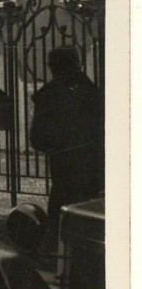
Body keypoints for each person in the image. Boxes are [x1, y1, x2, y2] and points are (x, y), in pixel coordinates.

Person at [29, 46, 103, 243]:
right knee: (89, 211)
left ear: (53, 67)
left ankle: (59, 251)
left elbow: (37, 138)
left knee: (62, 209)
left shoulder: (49, 94)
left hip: (63, 165)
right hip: (92, 165)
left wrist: (57, 149)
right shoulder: (92, 91)